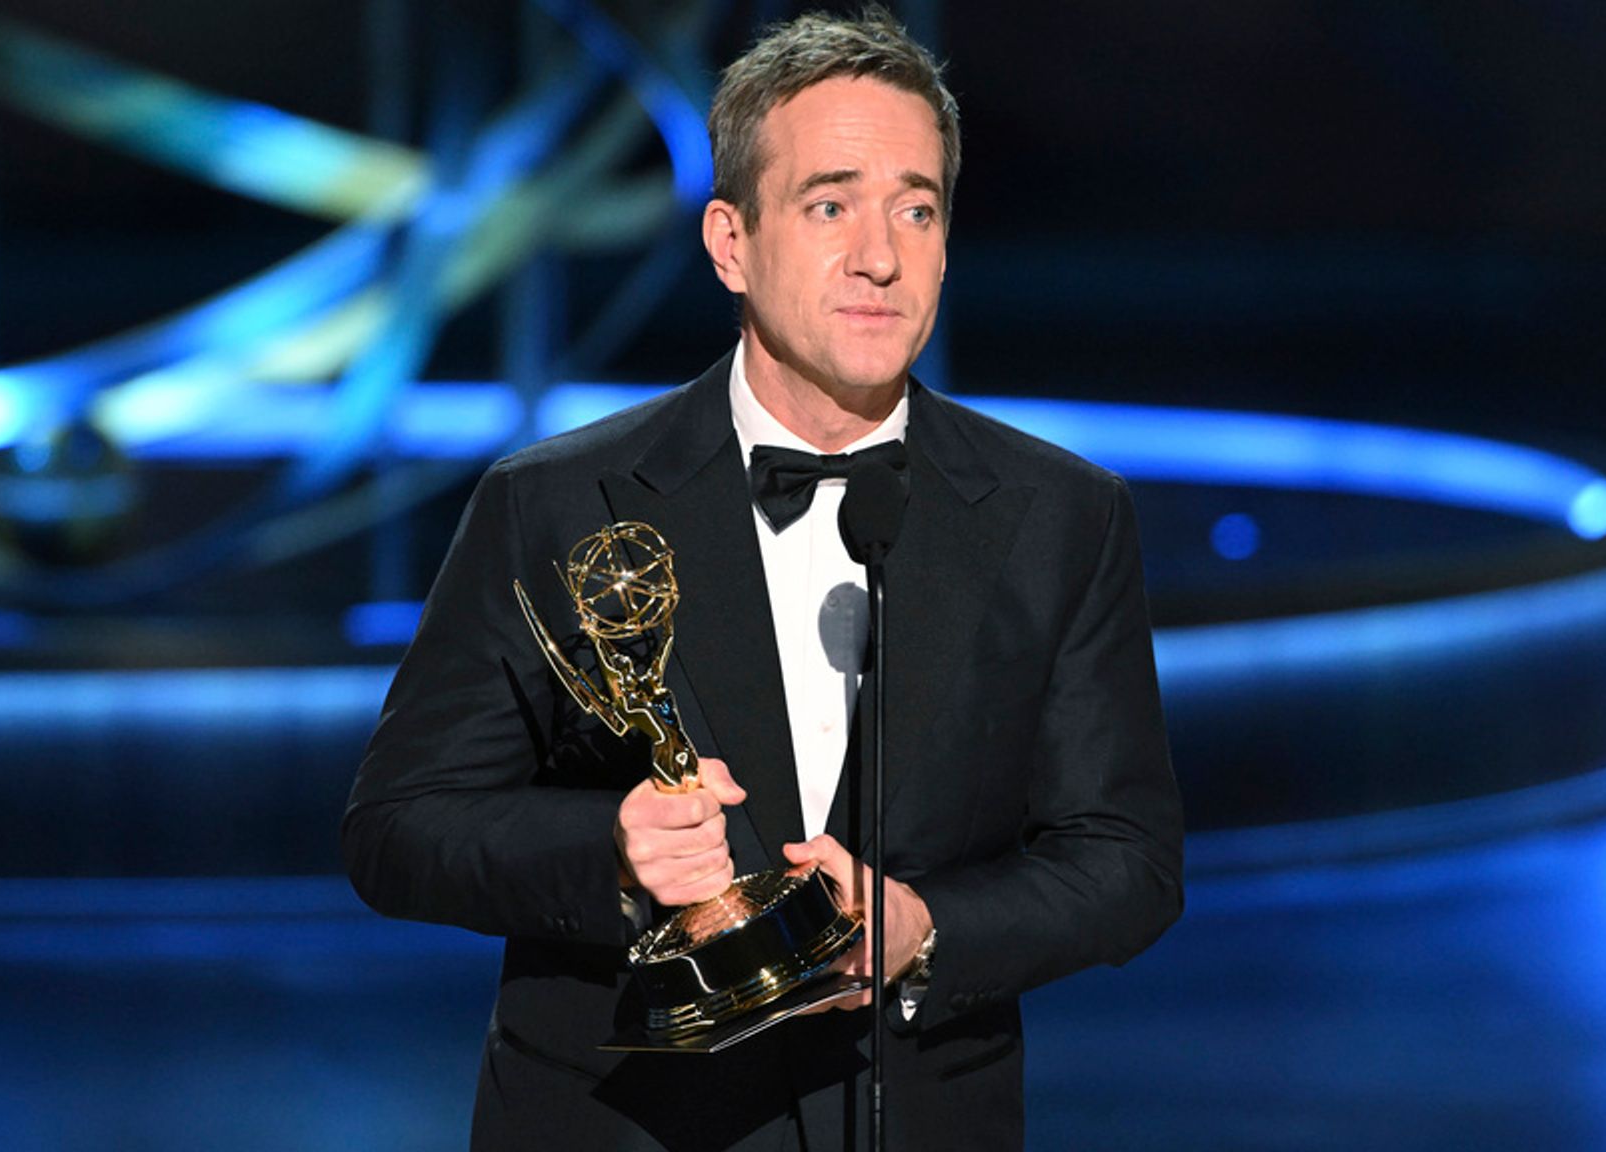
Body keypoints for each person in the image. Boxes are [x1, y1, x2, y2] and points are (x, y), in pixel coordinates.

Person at [343, 8, 1184, 1149]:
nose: (879, 256)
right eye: (829, 205)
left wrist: (928, 928)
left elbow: (1125, 859)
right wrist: (615, 857)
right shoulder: (554, 502)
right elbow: (398, 828)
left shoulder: (1062, 517)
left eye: (916, 208)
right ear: (729, 242)